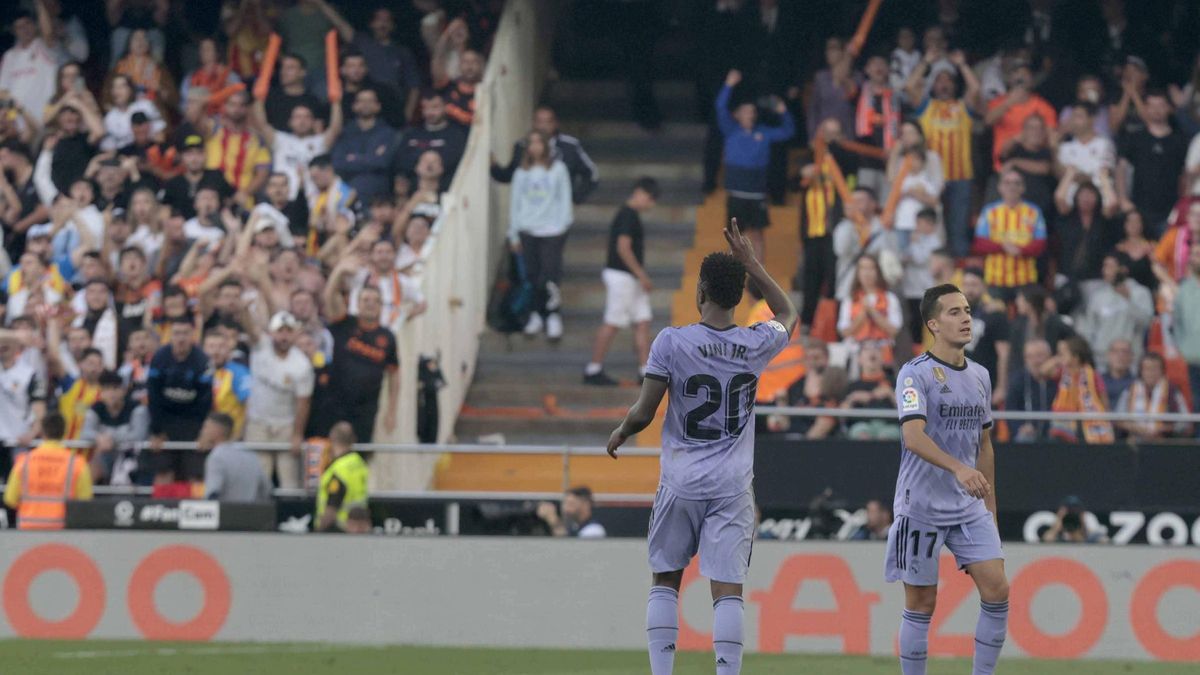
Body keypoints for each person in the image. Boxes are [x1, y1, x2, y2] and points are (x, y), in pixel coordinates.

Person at [606, 219, 796, 675]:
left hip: (681, 480)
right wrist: (755, 265)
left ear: (700, 294)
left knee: (666, 578)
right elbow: (788, 313)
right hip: (732, 485)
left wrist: (622, 432)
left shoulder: (672, 342)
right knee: (728, 587)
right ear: (736, 297)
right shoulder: (756, 342)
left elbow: (645, 411)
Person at [889, 283, 1008, 675]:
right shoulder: (914, 374)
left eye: (968, 310)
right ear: (934, 324)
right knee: (922, 603)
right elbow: (913, 436)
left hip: (968, 506)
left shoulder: (980, 376)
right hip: (921, 505)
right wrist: (958, 468)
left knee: (997, 590)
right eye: (955, 312)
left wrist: (990, 509)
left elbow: (984, 444)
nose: (966, 318)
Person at [584, 177, 660, 386]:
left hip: (630, 277)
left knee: (642, 320)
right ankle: (593, 368)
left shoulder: (630, 215)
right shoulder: (627, 216)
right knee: (613, 321)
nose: (651, 204)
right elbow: (623, 248)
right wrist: (642, 275)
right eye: (651, 198)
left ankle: (645, 370)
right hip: (622, 275)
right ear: (641, 193)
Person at [716, 69, 794, 261]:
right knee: (734, 237)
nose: (750, 114)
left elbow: (788, 131)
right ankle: (733, 274)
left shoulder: (764, 132)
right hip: (736, 191)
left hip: (757, 191)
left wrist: (783, 111)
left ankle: (758, 279)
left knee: (758, 236)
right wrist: (728, 85)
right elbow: (719, 107)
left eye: (752, 111)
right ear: (737, 115)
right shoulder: (731, 130)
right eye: (746, 111)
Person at [908, 50, 980, 257]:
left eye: (948, 80)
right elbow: (910, 86)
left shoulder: (962, 107)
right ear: (933, 85)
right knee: (934, 225)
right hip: (932, 176)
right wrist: (926, 62)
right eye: (939, 80)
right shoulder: (926, 107)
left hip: (961, 176)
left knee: (958, 227)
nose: (944, 84)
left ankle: (957, 274)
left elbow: (975, 88)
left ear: (955, 85)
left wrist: (962, 65)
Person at [508, 130, 573, 341]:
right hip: (527, 229)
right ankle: (536, 314)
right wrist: (514, 234)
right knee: (533, 275)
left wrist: (563, 224)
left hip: (552, 229)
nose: (535, 147)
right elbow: (514, 204)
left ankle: (553, 314)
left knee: (550, 275)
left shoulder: (558, 169)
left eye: (539, 142)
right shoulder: (521, 173)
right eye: (531, 143)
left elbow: (565, 198)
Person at [322, 271, 400, 443]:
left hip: (365, 410)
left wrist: (392, 411)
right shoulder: (344, 323)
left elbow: (394, 374)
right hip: (334, 404)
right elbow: (328, 297)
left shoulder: (388, 338)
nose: (370, 304)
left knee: (359, 458)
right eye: (365, 300)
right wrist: (339, 271)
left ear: (381, 306)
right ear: (357, 304)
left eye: (375, 301)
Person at [246, 311, 313, 490]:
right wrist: (245, 311)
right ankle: (257, 517)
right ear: (272, 333)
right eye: (280, 331)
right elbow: (250, 329)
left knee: (289, 481)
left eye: (288, 331)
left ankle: (290, 517)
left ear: (294, 334)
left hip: (286, 426)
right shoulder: (261, 347)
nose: (284, 336)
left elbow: (303, 402)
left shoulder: (301, 365)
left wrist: (297, 434)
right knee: (259, 477)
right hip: (258, 423)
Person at [146, 317, 212, 484]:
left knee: (196, 474)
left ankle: (197, 509)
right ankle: (158, 509)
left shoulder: (202, 361)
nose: (181, 338)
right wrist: (156, 431)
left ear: (193, 335)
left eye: (185, 333)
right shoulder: (159, 358)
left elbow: (206, 401)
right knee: (163, 471)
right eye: (176, 333)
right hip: (165, 419)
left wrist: (203, 432)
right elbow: (153, 396)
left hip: (192, 421)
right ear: (170, 335)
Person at [490, 105, 599, 205]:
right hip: (530, 207)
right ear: (533, 123)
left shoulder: (569, 146)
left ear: (555, 123)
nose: (543, 126)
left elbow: (591, 173)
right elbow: (511, 174)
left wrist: (576, 196)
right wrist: (493, 167)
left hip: (557, 207)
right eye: (539, 121)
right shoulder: (522, 146)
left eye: (547, 122)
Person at [1117, 91, 1189, 237]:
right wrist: (1123, 199)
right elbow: (1121, 168)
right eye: (1152, 105)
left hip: (1170, 210)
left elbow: (1185, 175)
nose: (1156, 110)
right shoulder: (1134, 137)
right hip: (1139, 209)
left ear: (1169, 108)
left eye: (1161, 105)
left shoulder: (1181, 140)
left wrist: (1182, 204)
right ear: (1145, 108)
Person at [2, 413, 91, 530]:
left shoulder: (24, 462)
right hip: (64, 531)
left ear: (42, 432)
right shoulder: (77, 464)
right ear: (64, 432)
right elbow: (85, 501)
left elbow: (10, 499)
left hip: (27, 529)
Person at [972, 170, 1048, 294]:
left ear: (1023, 188)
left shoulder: (1034, 212)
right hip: (995, 279)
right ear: (1000, 187)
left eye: (1017, 183)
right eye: (1007, 183)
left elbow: (1040, 244)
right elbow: (980, 244)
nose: (1012, 187)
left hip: (1025, 279)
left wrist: (1020, 250)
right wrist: (1003, 246)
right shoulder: (989, 211)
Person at [1077, 252, 1153, 363]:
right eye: (1104, 266)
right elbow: (1089, 327)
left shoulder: (1140, 293)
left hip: (1130, 359)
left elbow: (1146, 323)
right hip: (1101, 358)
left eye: (1110, 267)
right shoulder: (1098, 296)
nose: (1105, 271)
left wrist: (1129, 301)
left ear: (1123, 269)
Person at [984, 61, 1056, 172]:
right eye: (1017, 73)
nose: (1021, 77)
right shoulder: (998, 102)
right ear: (1009, 79)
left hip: (1034, 164)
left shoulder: (1044, 107)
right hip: (1003, 165)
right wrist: (1009, 102)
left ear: (1032, 81)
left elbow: (1051, 139)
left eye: (1025, 74)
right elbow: (988, 121)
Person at [81, 370, 149, 486]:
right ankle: (87, 502)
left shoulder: (137, 409)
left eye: (115, 388)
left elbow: (139, 435)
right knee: (90, 467)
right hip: (106, 455)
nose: (111, 393)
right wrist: (98, 438)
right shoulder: (96, 408)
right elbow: (85, 433)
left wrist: (111, 439)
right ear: (101, 392)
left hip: (132, 458)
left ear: (123, 390)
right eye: (106, 389)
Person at [331, 87, 395, 204]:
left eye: (370, 101)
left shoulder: (387, 133)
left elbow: (382, 162)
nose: (366, 104)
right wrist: (370, 158)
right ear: (354, 106)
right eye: (362, 101)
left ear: (378, 106)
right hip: (347, 185)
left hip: (377, 189)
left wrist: (354, 158)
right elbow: (338, 163)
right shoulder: (345, 132)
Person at [1048, 336, 1115, 444]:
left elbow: (1104, 401)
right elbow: (1043, 370)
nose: (1062, 356)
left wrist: (1106, 420)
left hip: (1089, 423)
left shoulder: (1093, 375)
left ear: (1076, 357)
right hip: (1065, 424)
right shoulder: (1062, 373)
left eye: (1064, 353)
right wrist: (1058, 358)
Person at [837, 255, 902, 367]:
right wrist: (863, 313)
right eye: (863, 268)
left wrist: (872, 311)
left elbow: (894, 330)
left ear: (878, 271)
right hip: (856, 353)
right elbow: (844, 332)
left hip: (883, 353)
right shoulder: (850, 299)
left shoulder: (890, 298)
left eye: (871, 268)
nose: (867, 273)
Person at [0, 328, 47, 480]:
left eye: (7, 343)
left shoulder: (29, 374)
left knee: (15, 486)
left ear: (18, 347)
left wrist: (32, 433)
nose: (2, 346)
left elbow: (39, 408)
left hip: (17, 440)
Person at [1115, 353, 1192, 440]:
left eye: (1155, 369)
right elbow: (1119, 420)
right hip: (1135, 440)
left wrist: (1162, 429)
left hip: (1164, 441)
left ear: (1162, 371)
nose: (1151, 373)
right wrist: (1137, 429)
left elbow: (1185, 421)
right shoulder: (1130, 390)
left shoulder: (1173, 392)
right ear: (1141, 371)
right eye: (1147, 369)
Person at [201, 412, 271, 502]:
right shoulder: (250, 454)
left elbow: (212, 494)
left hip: (227, 513)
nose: (202, 431)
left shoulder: (216, 457)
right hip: (252, 512)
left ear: (216, 430)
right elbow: (267, 489)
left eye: (206, 427)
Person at [0, 11, 58, 118]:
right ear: (14, 31)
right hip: (19, 120)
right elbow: (2, 90)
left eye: (27, 23)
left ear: (35, 25)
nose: (25, 29)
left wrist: (39, 3)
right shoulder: (9, 56)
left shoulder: (45, 46)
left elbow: (49, 34)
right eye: (19, 27)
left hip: (46, 115)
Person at [315, 421, 369, 532]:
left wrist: (318, 530)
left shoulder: (338, 469)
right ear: (353, 439)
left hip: (338, 529)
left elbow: (332, 508)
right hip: (358, 526)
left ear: (332, 439)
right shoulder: (359, 462)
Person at [1005, 339, 1057, 442]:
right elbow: (1010, 409)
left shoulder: (1058, 380)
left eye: (1040, 356)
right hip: (1027, 435)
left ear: (1050, 357)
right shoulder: (1018, 380)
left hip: (1054, 433)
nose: (1035, 361)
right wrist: (1020, 428)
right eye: (1030, 357)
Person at [1173, 245, 1200, 411]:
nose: (1194, 258)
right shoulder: (1183, 289)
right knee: (1196, 401)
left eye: (1198, 254)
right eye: (1193, 254)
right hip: (1192, 357)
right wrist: (1182, 348)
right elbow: (1177, 323)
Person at [536, 485, 607, 538]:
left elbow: (570, 551)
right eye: (565, 504)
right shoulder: (574, 526)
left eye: (571, 504)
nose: (566, 509)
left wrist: (553, 520)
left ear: (585, 504)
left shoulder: (594, 530)